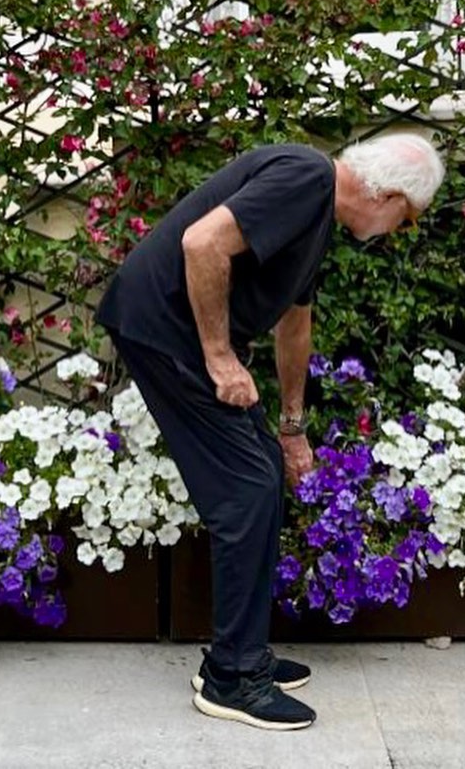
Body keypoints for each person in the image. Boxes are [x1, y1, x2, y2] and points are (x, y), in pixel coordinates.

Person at [96, 133, 445, 731]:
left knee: (261, 470)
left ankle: (237, 655)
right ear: (386, 196)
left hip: (172, 334)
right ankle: (235, 677)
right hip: (162, 331)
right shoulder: (306, 178)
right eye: (406, 222)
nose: (396, 233)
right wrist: (219, 356)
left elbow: (295, 326)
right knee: (246, 491)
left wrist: (290, 429)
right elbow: (201, 242)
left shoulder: (315, 218)